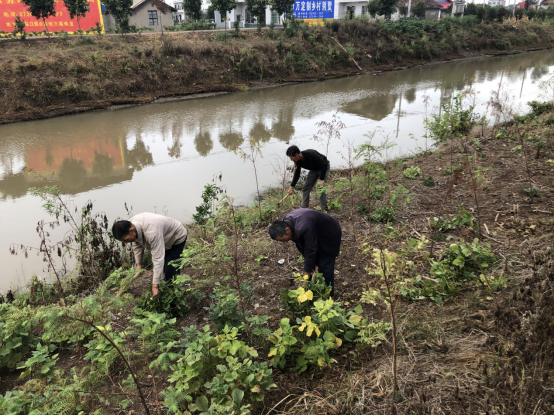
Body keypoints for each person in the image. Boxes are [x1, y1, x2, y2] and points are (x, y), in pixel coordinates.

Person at [112, 213, 188, 298]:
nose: (126, 243)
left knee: (170, 268)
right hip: (163, 239)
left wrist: (154, 286)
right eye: (123, 241)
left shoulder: (152, 231)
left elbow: (158, 258)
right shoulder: (130, 225)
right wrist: (139, 265)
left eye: (126, 240)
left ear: (131, 230)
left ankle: (174, 294)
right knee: (163, 270)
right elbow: (136, 245)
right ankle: (164, 288)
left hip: (176, 237)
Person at [269, 208, 341, 297]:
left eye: (283, 239)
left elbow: (310, 250)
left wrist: (306, 275)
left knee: (325, 265)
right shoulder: (288, 223)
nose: (284, 242)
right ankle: (313, 292)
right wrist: (313, 265)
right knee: (315, 264)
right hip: (315, 232)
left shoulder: (304, 226)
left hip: (329, 233)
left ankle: (329, 297)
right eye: (281, 241)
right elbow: (302, 245)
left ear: (287, 230)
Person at [286, 145, 330, 211]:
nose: (291, 159)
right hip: (313, 170)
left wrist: (321, 178)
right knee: (305, 188)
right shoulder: (297, 161)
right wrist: (292, 186)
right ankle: (304, 209)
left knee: (320, 188)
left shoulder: (311, 154)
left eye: (292, 157)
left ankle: (324, 209)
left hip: (323, 167)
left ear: (297, 154)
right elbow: (297, 173)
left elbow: (324, 164)